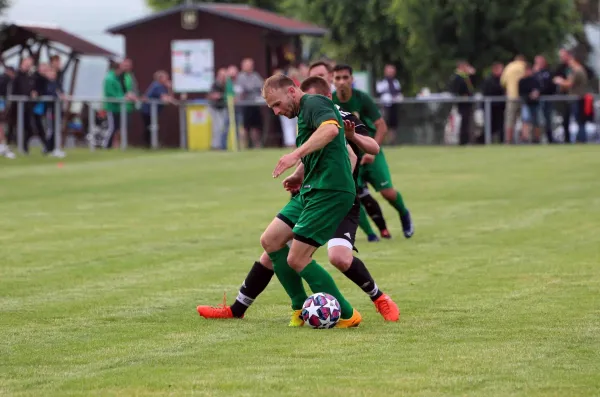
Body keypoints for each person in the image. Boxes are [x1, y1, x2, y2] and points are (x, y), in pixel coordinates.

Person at [196, 76, 400, 324]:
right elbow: (326, 149)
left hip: (330, 191)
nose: (276, 111)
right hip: (312, 189)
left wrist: (295, 154)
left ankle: (348, 315)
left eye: (277, 104)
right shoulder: (305, 112)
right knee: (270, 241)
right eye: (272, 107)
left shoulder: (314, 103)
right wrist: (299, 174)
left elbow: (331, 130)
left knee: (299, 258)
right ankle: (297, 308)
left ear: (292, 91)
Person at [308, 61, 391, 242]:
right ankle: (370, 234)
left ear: (329, 77)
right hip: (336, 163)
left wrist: (355, 142)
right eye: (314, 77)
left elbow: (374, 136)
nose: (319, 80)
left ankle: (387, 225)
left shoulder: (343, 106)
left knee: (375, 194)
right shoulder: (308, 110)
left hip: (358, 154)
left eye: (322, 75)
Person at [332, 64, 414, 239]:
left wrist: (371, 151)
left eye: (345, 77)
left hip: (370, 152)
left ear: (352, 79)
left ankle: (404, 213)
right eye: (337, 78)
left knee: (387, 192)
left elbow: (381, 126)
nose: (341, 82)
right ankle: (370, 234)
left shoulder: (362, 98)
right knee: (350, 197)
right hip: (347, 157)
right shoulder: (330, 101)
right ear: (332, 80)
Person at [140, 70, 176, 148]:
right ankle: (149, 145)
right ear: (160, 78)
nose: (167, 79)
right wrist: (170, 89)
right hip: (148, 111)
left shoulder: (162, 86)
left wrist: (169, 89)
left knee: (152, 127)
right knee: (150, 127)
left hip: (154, 111)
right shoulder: (157, 86)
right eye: (165, 77)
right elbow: (165, 99)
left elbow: (169, 97)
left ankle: (151, 144)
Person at [518, 63, 542, 143]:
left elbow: (540, 89)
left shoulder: (535, 80)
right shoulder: (522, 81)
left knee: (536, 121)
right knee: (525, 120)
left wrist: (536, 93)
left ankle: (536, 138)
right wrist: (529, 95)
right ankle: (525, 138)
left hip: (535, 103)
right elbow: (521, 93)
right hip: (526, 103)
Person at [0, 66, 16, 159]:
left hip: (2, 103)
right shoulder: (5, 79)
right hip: (1, 104)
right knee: (1, 125)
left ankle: (3, 145)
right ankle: (2, 146)